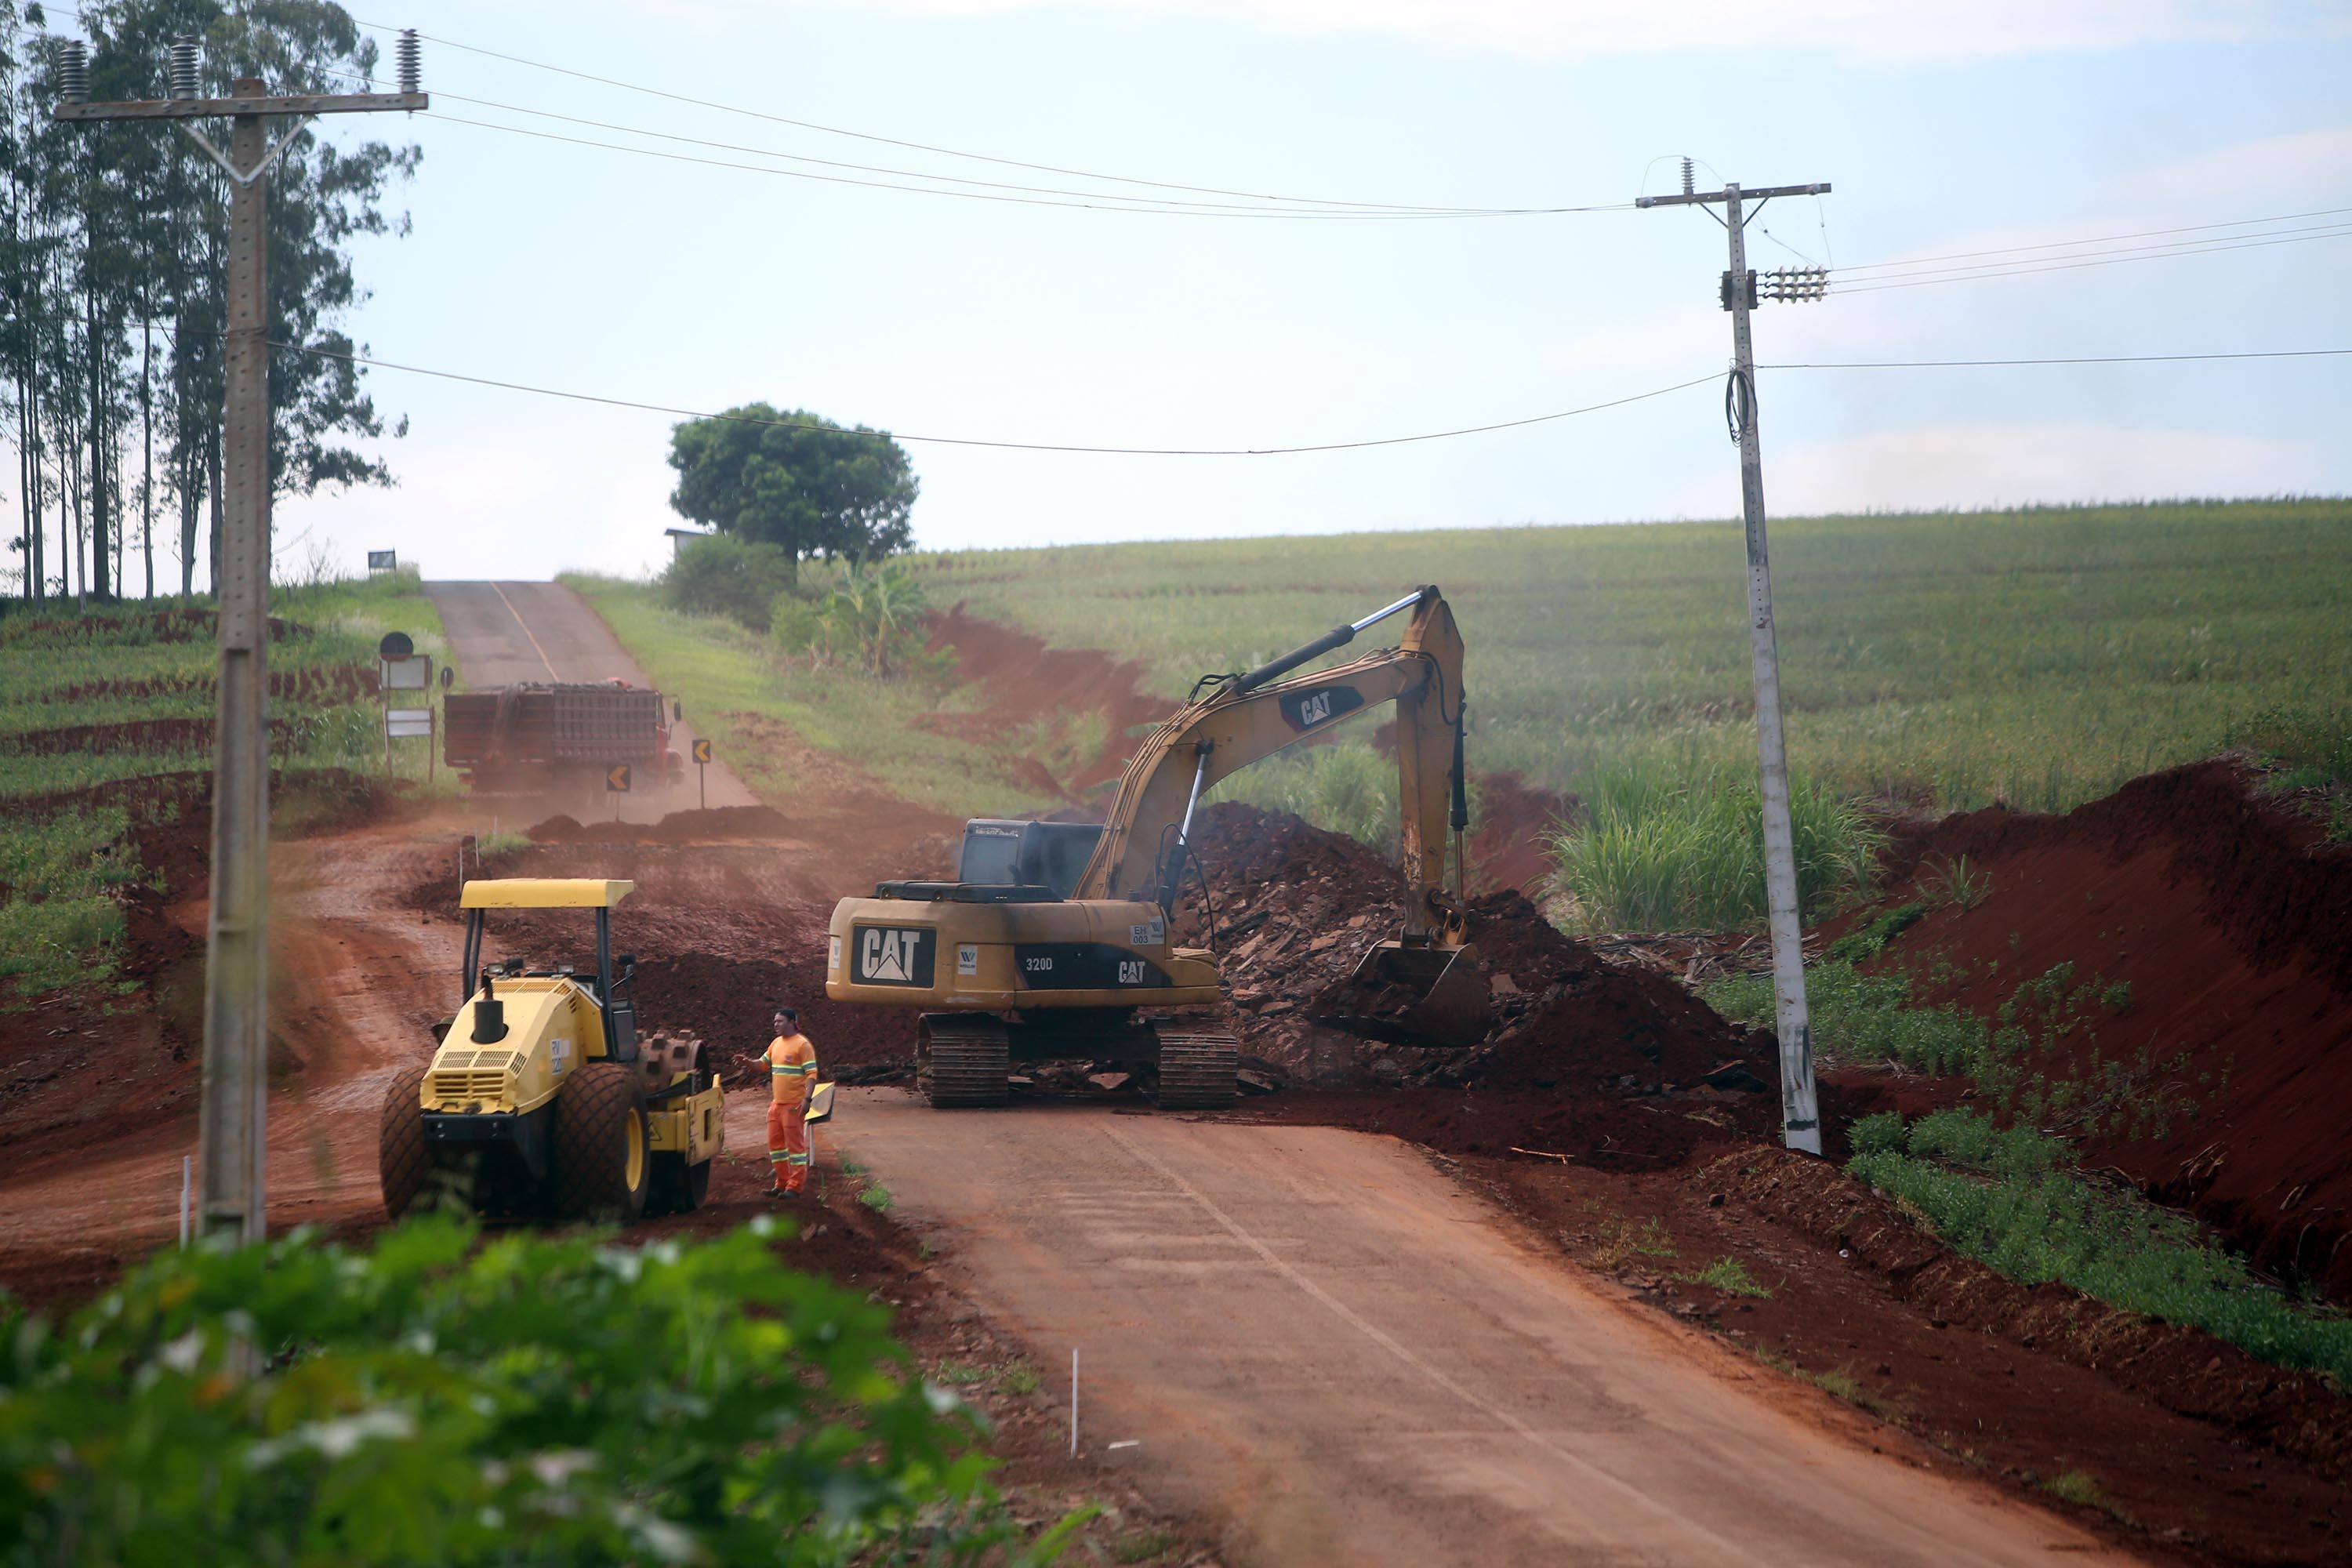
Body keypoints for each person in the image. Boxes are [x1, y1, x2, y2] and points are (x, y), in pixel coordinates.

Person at [744, 1007, 818, 1199]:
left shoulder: (802, 1045)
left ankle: (795, 1187)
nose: (775, 1025)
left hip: (794, 1105)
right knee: (776, 1147)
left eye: (780, 1021)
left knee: (796, 1149)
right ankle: (782, 1182)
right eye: (775, 1021)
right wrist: (746, 1063)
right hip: (777, 1105)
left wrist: (807, 1099)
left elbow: (811, 1074)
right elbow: (762, 1064)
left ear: (792, 1022)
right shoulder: (776, 1043)